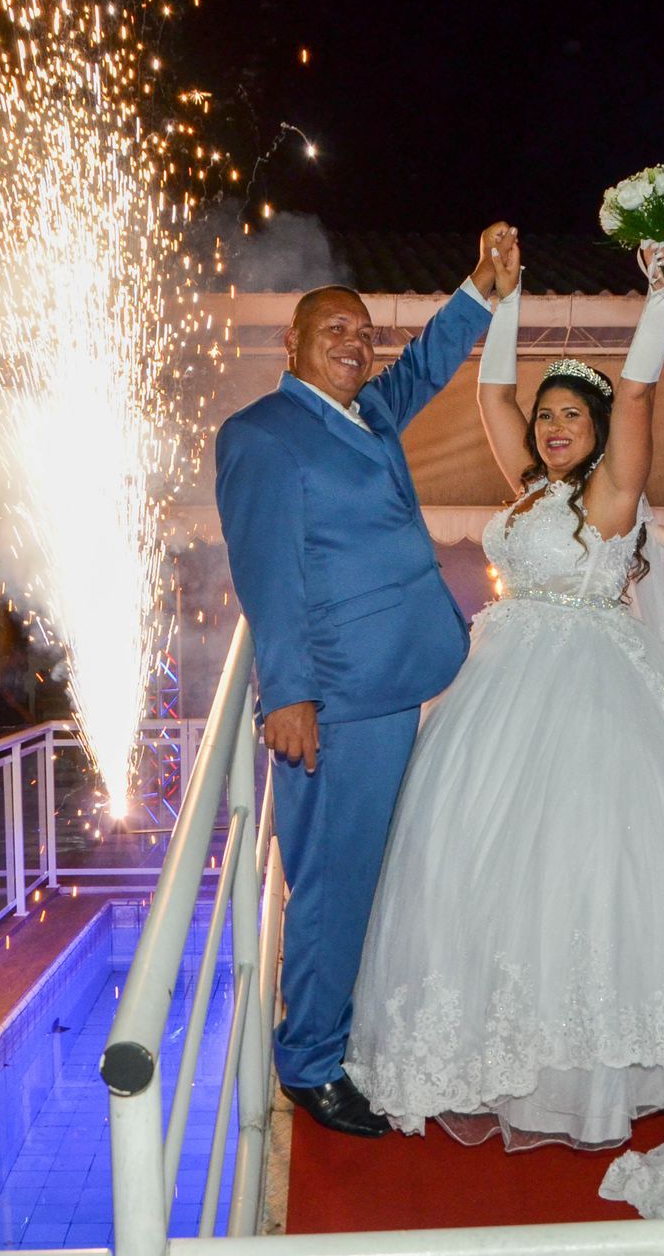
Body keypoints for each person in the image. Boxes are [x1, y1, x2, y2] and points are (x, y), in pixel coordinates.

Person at [351, 232, 664, 1217]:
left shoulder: (615, 492)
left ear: (600, 431)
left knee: (585, 869)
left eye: (573, 415)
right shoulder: (529, 488)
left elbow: (641, 398)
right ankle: (494, 1045)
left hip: (588, 699)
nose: (555, 425)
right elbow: (491, 396)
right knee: (480, 866)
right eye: (551, 415)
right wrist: (505, 296)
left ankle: (595, 1059)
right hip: (498, 693)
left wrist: (660, 299)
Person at [214, 223, 506, 1138]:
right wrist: (288, 692)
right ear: (290, 346)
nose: (354, 342)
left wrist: (481, 291)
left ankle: (336, 1029)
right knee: (335, 880)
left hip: (399, 675)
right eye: (333, 329)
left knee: (369, 873)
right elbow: (268, 572)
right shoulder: (261, 435)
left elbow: (421, 370)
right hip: (337, 699)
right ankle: (308, 1063)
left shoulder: (366, 415)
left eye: (363, 332)